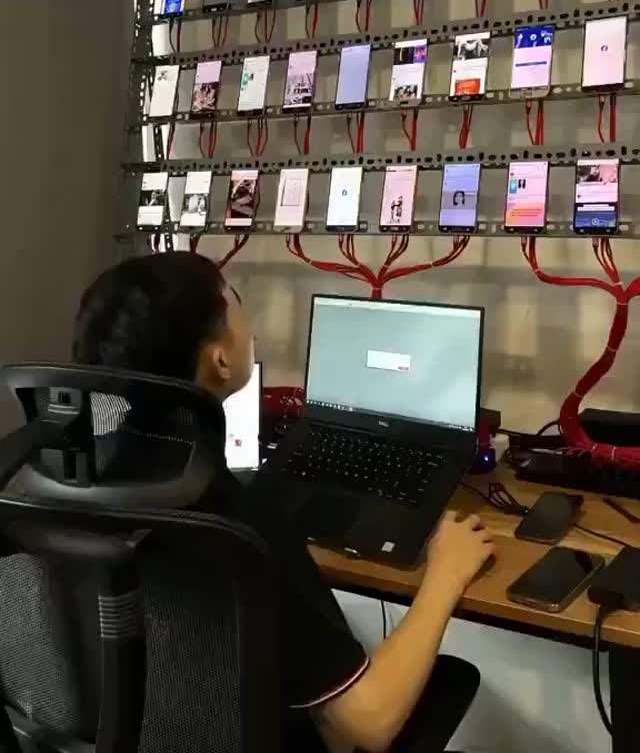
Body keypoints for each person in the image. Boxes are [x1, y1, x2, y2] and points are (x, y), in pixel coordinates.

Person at [73, 253, 493, 753]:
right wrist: (446, 574)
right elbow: (368, 723)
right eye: (235, 300)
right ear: (220, 361)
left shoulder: (53, 486)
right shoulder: (242, 526)